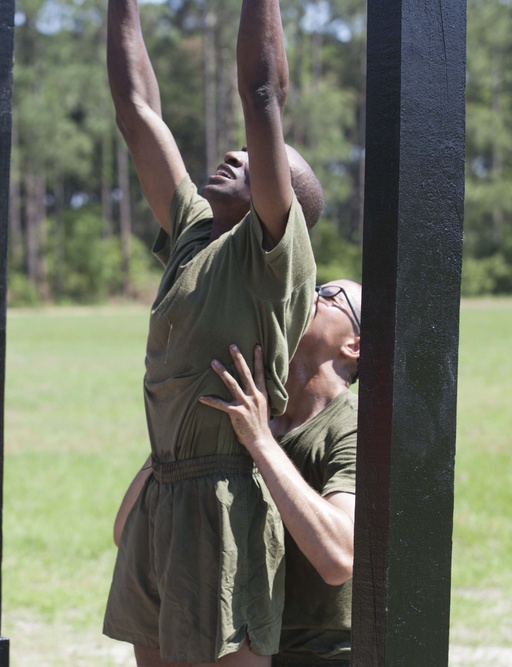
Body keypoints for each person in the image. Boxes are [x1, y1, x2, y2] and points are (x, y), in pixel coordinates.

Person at [102, 0, 325, 663]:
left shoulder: (274, 255)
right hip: (164, 488)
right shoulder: (194, 235)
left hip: (223, 497)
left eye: (254, 159)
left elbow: (261, 95)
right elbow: (137, 110)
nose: (233, 154)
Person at [114, 280, 361, 666]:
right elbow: (125, 530)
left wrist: (260, 442)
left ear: (354, 345)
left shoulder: (351, 425)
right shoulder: (248, 413)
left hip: (315, 655)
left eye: (331, 296)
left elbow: (339, 558)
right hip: (237, 644)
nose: (312, 292)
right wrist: (178, 437)